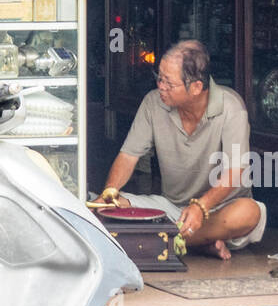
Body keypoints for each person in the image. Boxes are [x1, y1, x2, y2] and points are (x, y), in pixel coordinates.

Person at [97, 40, 265, 260]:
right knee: (101, 209)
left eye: (168, 82)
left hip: (218, 211)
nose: (160, 86)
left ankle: (162, 242)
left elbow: (236, 173)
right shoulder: (153, 103)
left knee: (249, 213)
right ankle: (198, 243)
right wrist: (109, 192)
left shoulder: (231, 107)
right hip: (171, 209)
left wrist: (201, 207)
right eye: (159, 77)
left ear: (196, 87)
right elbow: (129, 156)